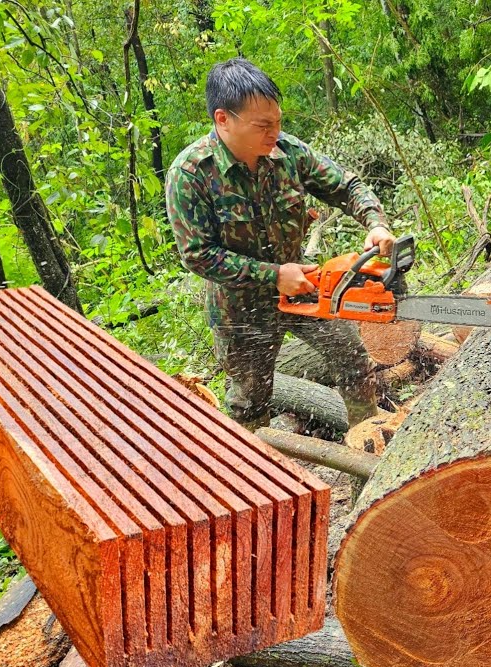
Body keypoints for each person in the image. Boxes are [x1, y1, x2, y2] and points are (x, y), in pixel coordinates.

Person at [166, 58, 395, 429]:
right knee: (250, 401)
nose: (274, 132)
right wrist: (273, 275)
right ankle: (259, 463)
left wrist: (376, 223)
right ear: (223, 119)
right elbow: (198, 255)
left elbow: (346, 185)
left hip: (303, 286)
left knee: (352, 355)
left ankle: (367, 437)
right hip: (240, 307)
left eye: (277, 121)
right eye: (263, 125)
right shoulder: (191, 173)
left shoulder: (287, 152)